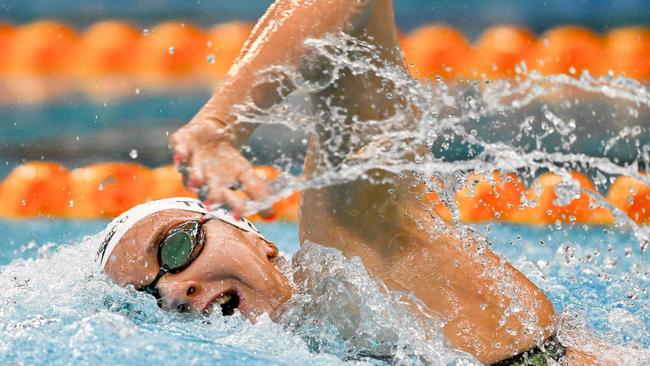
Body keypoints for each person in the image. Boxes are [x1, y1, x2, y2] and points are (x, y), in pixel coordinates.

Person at [100, 0, 606, 364]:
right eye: (149, 297)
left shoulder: (348, 253)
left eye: (173, 248)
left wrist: (219, 126)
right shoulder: (315, 341)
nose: (177, 289)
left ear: (249, 233)